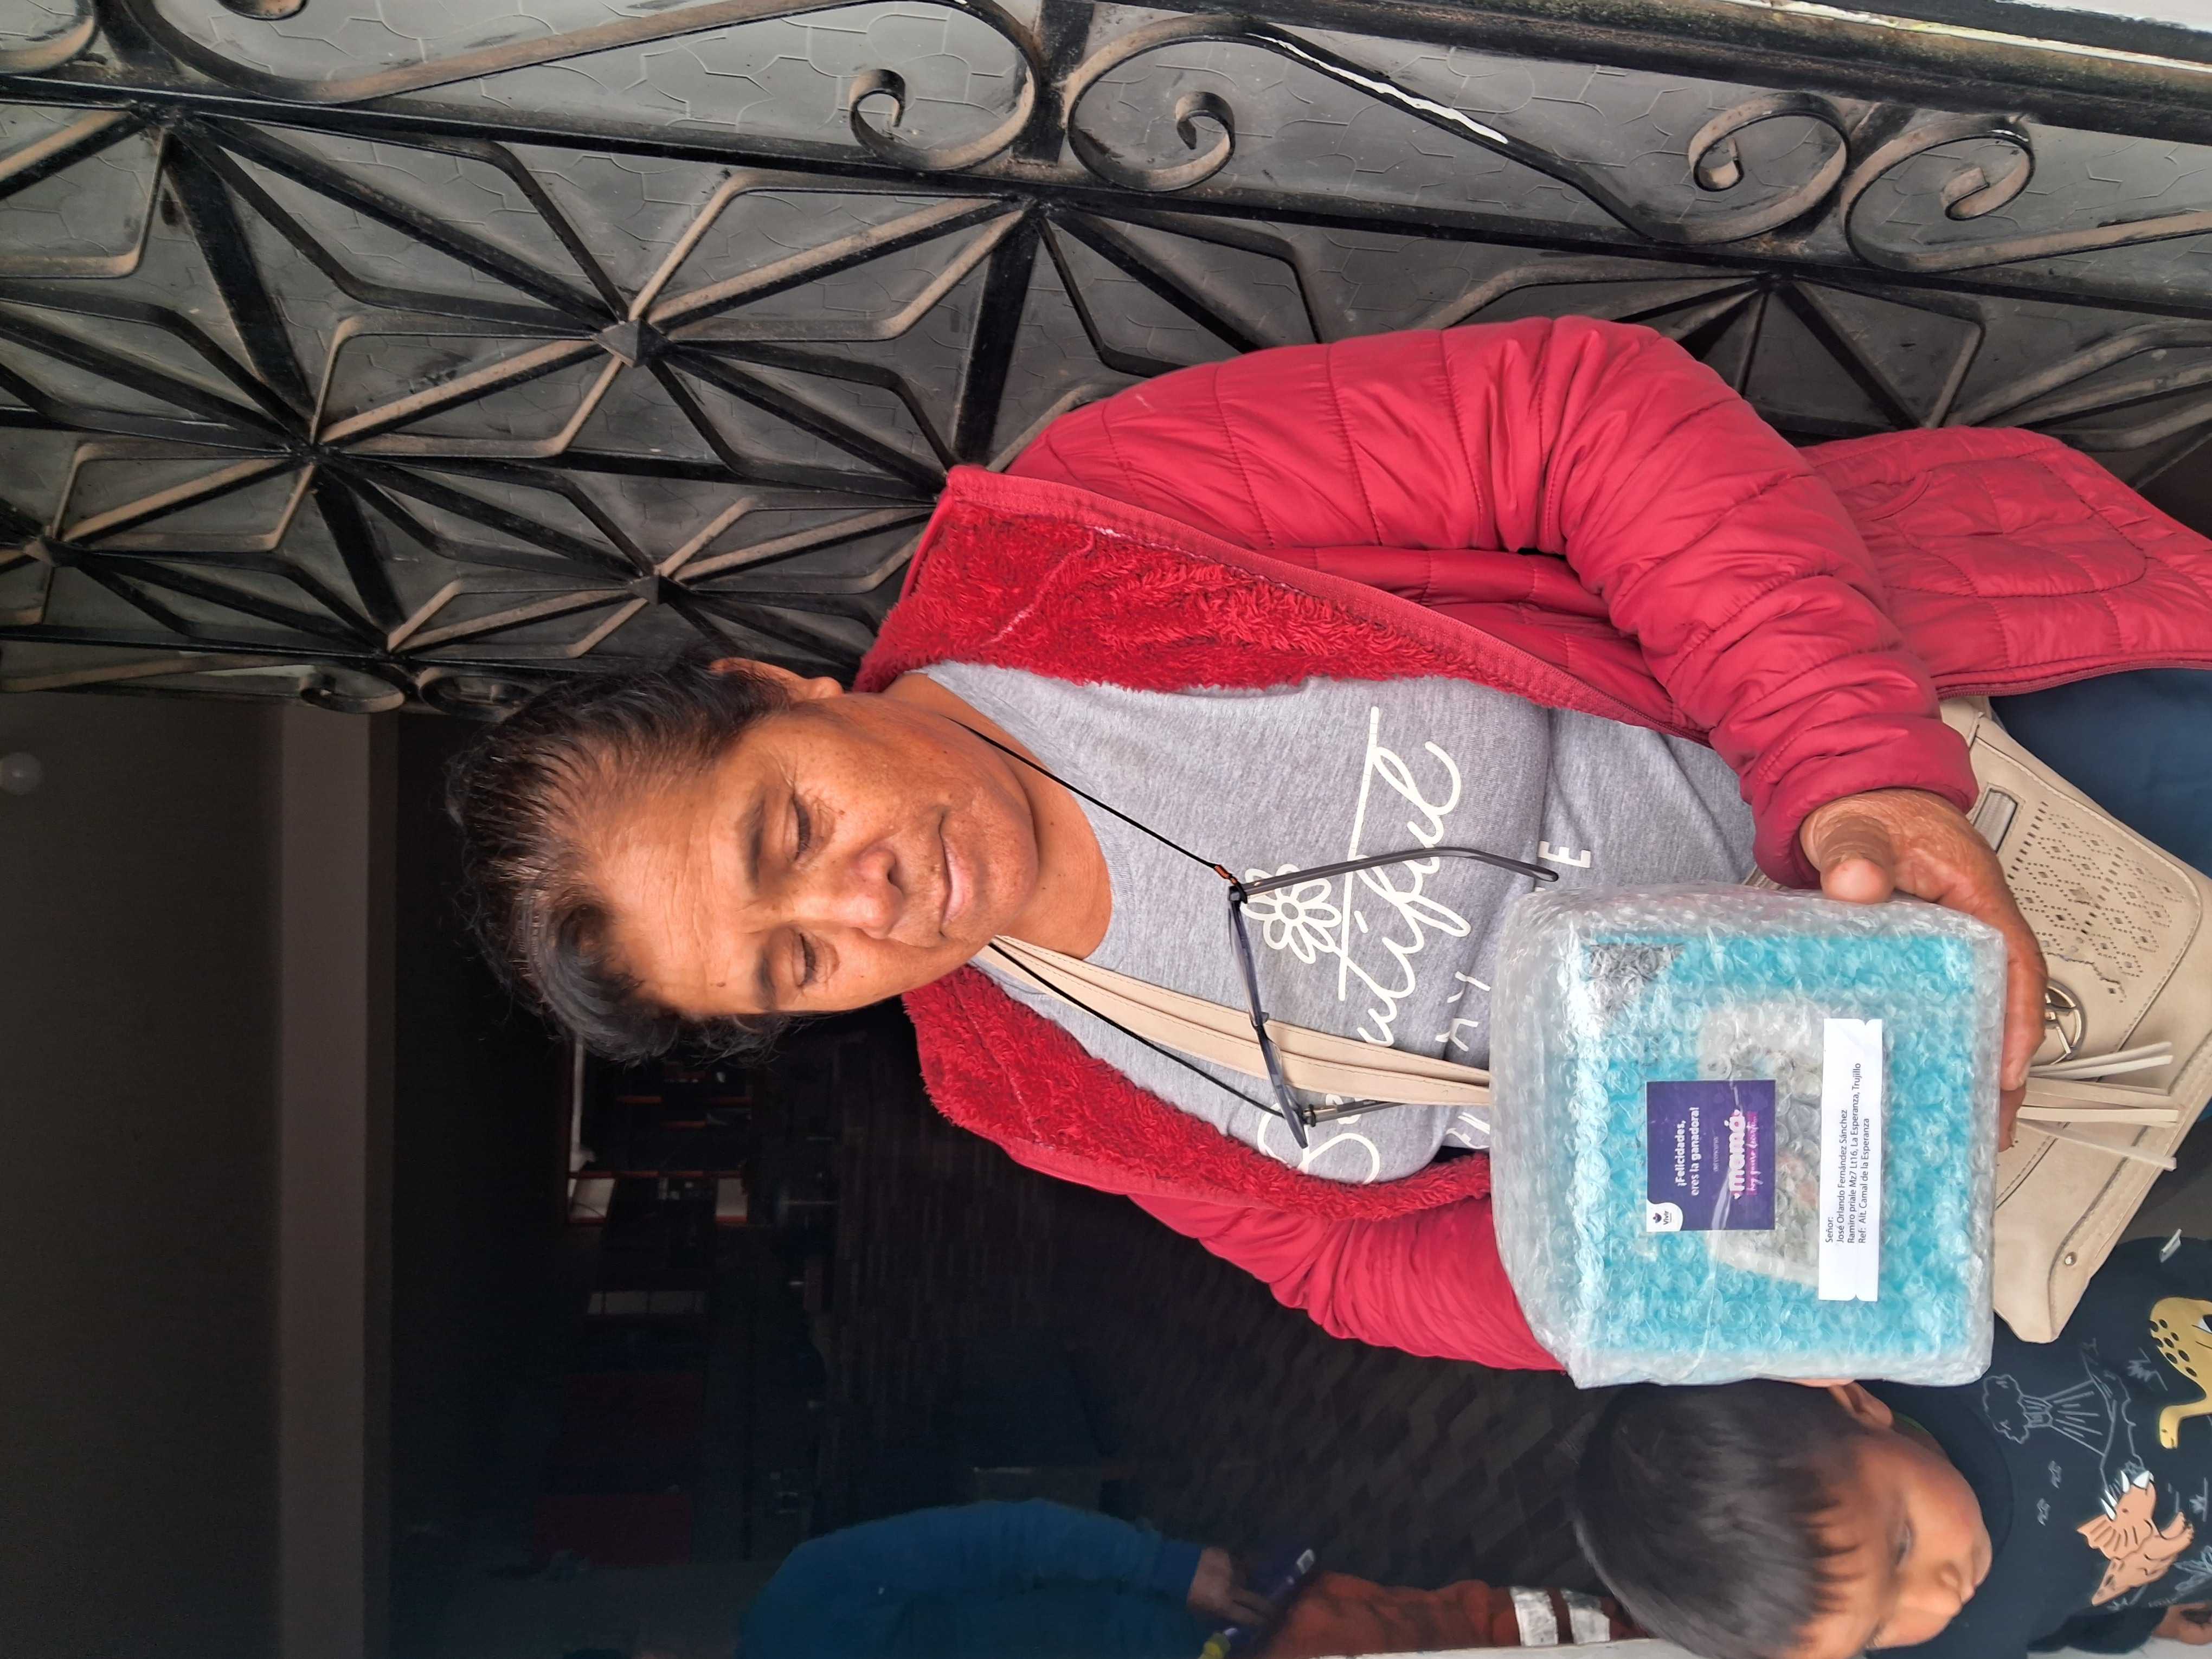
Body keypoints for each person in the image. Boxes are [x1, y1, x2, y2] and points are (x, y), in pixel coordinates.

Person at [452, 316, 2212, 1369]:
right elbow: (1341, 1260)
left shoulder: (1093, 538)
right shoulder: (1017, 1078)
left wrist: (1853, 775)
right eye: (794, 963)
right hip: (1964, 1139)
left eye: (788, 828)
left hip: (2022, 774)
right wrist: (1674, 1282)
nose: (865, 902)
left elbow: (1576, 419)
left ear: (775, 686)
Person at [1572, 1235, 2212, 1659]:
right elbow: (2056, 1608)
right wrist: (2141, 1621)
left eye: (1903, 1544)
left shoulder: (1941, 1334)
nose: (1941, 1598)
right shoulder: (1955, 1647)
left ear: (1855, 1401)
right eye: (1876, 1632)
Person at [731, 1497, 1634, 1657]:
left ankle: (1656, 1630)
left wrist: (1162, 1565)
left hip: (1205, 1636)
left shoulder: (809, 1597)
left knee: (1447, 1632)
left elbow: (1008, 1539)